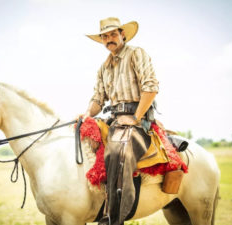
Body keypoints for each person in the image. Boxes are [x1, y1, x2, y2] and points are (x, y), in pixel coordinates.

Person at [82, 17, 159, 225]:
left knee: (117, 151)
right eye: (105, 36)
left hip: (138, 118)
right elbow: (98, 98)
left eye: (113, 34)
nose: (109, 39)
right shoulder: (103, 68)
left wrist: (136, 118)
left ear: (122, 34)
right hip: (115, 120)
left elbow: (150, 87)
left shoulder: (136, 54)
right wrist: (87, 114)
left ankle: (113, 219)